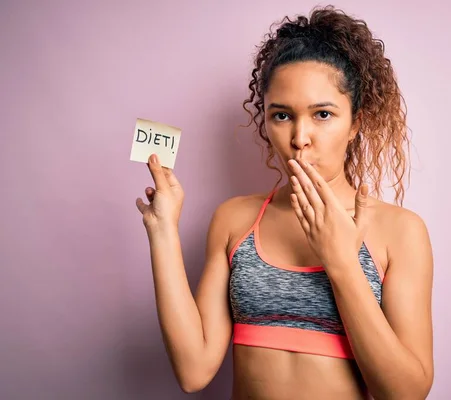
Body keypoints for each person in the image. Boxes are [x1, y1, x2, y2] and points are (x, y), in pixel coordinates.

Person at [135, 5, 434, 399]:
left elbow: (406, 393)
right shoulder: (234, 219)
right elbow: (194, 370)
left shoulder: (399, 231)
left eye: (323, 114)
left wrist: (343, 263)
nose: (300, 137)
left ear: (356, 123)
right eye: (281, 116)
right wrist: (162, 230)